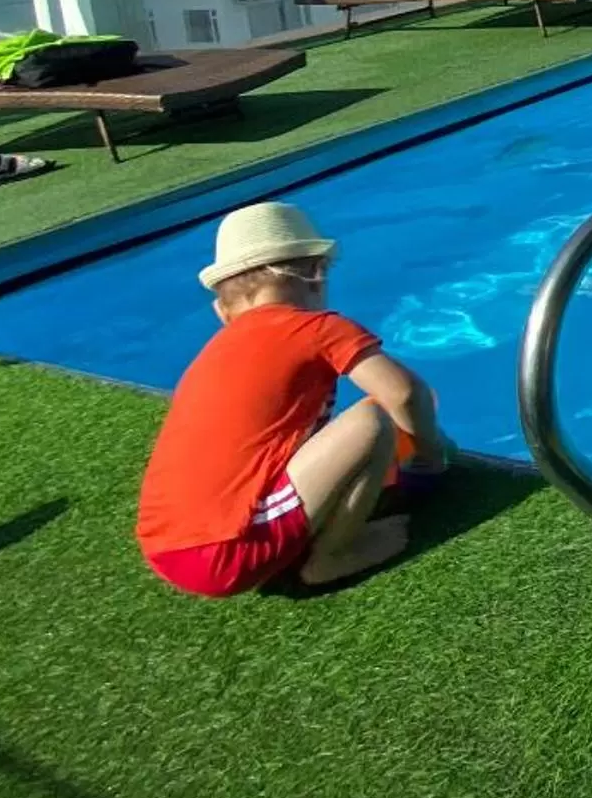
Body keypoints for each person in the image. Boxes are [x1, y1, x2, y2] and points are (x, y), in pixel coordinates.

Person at [135, 201, 446, 598]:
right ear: (316, 275)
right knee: (373, 422)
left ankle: (304, 537)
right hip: (225, 551)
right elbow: (404, 392)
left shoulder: (216, 352)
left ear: (222, 309)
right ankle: (330, 557)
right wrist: (429, 458)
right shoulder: (315, 327)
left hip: (165, 548)